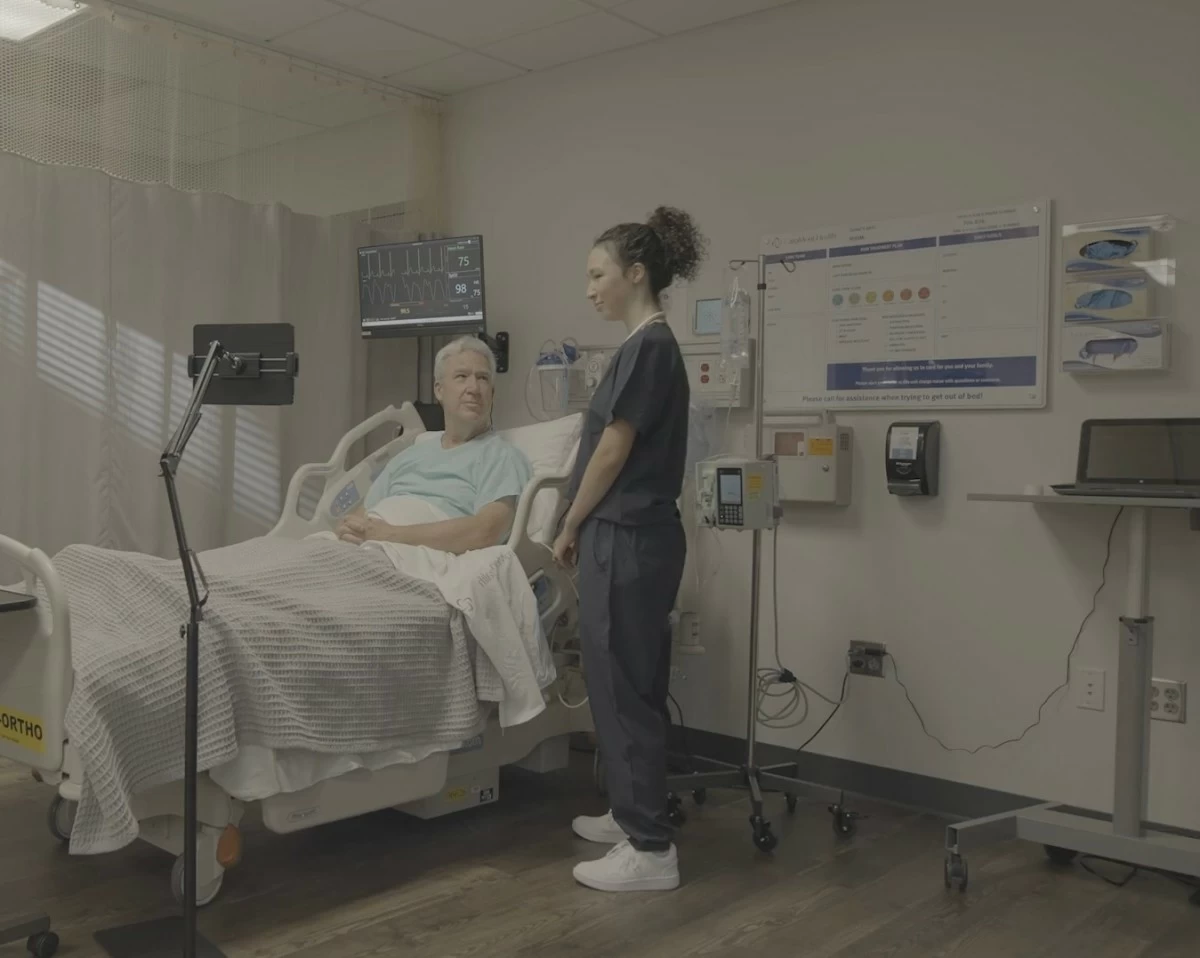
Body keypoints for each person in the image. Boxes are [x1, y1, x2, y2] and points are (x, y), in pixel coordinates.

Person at [552, 206, 706, 892]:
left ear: (635, 274)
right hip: (637, 535)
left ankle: (650, 850)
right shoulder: (647, 347)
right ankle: (629, 811)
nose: (589, 288)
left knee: (622, 690)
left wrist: (568, 524)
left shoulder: (649, 348)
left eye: (597, 274)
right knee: (629, 684)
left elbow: (612, 450)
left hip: (627, 533)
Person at [336, 336, 532, 554]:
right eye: (462, 376)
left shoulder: (501, 457)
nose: (474, 388)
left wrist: (389, 536)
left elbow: (486, 532)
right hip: (369, 545)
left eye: (483, 378)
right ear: (439, 390)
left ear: (492, 394)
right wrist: (350, 532)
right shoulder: (410, 455)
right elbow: (359, 518)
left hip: (417, 553)